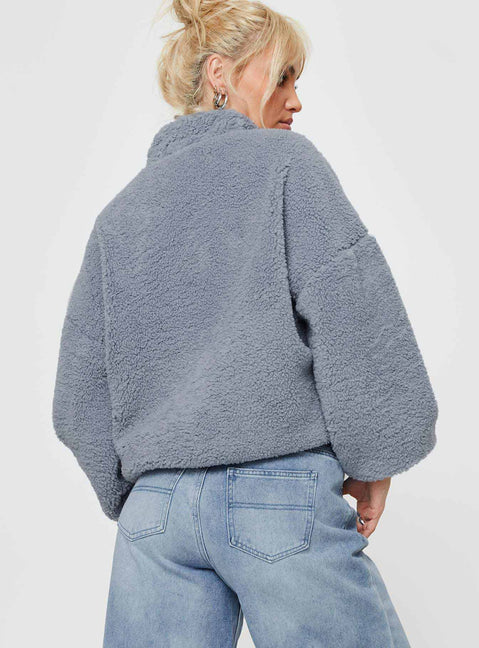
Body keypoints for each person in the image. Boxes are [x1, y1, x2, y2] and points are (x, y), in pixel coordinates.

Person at [51, 1, 439, 646]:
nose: (296, 99)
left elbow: (77, 395)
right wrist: (376, 461)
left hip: (155, 519)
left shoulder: (119, 216)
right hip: (276, 498)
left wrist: (146, 490)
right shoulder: (286, 166)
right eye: (283, 76)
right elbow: (355, 313)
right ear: (219, 74)